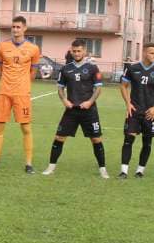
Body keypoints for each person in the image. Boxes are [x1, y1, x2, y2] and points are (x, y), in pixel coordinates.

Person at [44, 38, 108, 177]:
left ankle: (103, 169)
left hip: (89, 110)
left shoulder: (92, 68)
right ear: (71, 51)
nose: (77, 53)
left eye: (79, 51)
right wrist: (64, 100)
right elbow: (60, 88)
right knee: (59, 137)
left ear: (84, 51)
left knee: (96, 139)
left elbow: (98, 89)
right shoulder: (65, 69)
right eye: (74, 51)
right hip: (71, 110)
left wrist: (90, 102)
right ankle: (51, 167)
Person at [0, 15, 42, 173]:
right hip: (4, 92)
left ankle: (29, 164)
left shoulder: (33, 49)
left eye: (18, 27)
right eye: (13, 27)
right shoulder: (2, 46)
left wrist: (23, 84)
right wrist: (6, 79)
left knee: (26, 128)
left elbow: (33, 71)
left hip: (22, 94)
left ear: (24, 28)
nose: (15, 30)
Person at [118, 42, 154, 178]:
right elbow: (123, 86)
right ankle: (124, 171)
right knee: (129, 139)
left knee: (147, 142)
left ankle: (140, 171)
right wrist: (128, 103)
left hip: (149, 113)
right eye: (152, 53)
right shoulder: (132, 68)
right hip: (134, 110)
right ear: (145, 52)